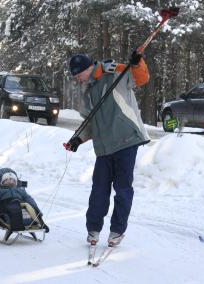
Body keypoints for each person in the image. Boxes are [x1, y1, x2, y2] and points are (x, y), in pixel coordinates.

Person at [64, 52, 150, 246]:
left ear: (87, 69)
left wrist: (138, 63)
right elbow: (90, 122)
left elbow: (141, 77)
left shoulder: (113, 72)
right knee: (99, 190)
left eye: (78, 75)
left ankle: (117, 231)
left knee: (122, 189)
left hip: (126, 139)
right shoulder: (87, 92)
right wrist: (78, 139)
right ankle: (93, 229)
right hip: (104, 147)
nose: (77, 79)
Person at [0, 168, 49, 232]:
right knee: (14, 205)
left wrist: (37, 210)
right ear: (1, 181)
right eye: (7, 180)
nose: (10, 181)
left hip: (20, 205)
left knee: (29, 206)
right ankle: (16, 225)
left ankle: (40, 223)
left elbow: (27, 198)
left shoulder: (19, 189)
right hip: (6, 206)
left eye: (12, 179)